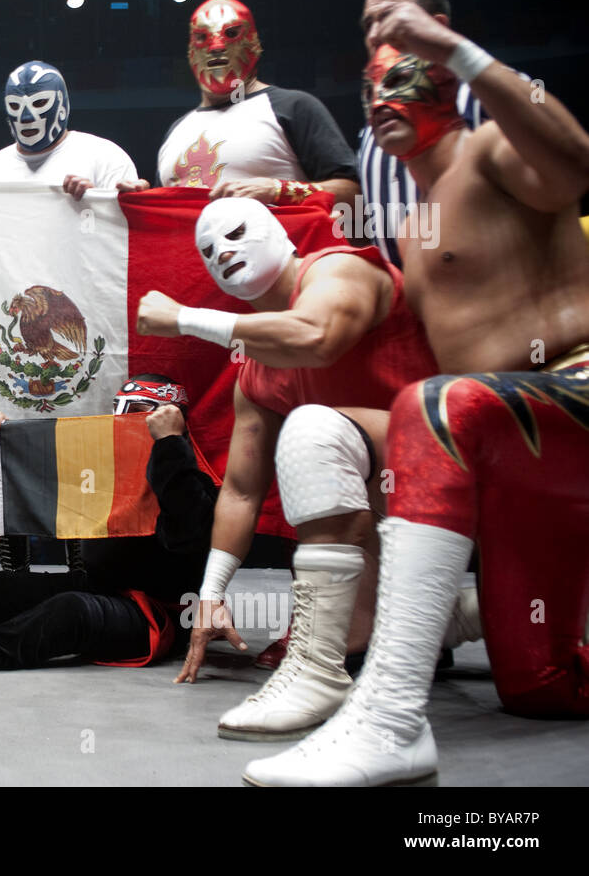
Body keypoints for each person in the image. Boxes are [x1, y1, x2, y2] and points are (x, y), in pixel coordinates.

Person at [242, 2, 589, 786]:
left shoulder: (497, 148)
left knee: (431, 407)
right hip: (515, 451)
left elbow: (576, 161)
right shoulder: (416, 226)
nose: (380, 101)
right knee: (540, 688)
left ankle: (393, 714)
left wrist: (460, 51)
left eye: (403, 75)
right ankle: (339, 659)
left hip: (576, 388)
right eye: (369, 89)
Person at [136, 195, 443, 741]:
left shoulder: (337, 267)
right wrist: (210, 595)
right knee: (534, 689)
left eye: (235, 233)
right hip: (385, 522)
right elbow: (240, 490)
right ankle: (441, 616)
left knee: (314, 430)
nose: (224, 252)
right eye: (209, 250)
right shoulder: (256, 367)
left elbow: (317, 338)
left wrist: (183, 318)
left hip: (456, 485)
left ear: (277, 233)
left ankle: (320, 668)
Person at [0, 375, 216, 677]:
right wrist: (8, 439)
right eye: (119, 409)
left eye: (136, 412)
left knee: (71, 612)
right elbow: (51, 483)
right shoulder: (111, 467)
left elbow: (184, 534)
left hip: (158, 614)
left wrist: (170, 445)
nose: (123, 420)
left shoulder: (196, 479)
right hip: (102, 586)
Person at [128, 0, 356, 209]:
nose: (216, 47)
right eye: (201, 38)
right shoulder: (177, 130)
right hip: (191, 251)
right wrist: (141, 200)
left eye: (231, 33)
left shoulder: (294, 107)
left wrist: (278, 190)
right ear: (190, 50)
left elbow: (354, 196)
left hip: (280, 250)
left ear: (254, 42)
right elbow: (165, 216)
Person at [356, 0, 485, 268]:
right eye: (368, 24)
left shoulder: (484, 92)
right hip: (410, 297)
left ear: (437, 25)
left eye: (389, 17)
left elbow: (564, 161)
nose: (375, 35)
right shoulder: (375, 124)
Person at [0, 60, 138, 201]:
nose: (27, 116)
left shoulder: (105, 157)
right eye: (16, 106)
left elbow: (127, 233)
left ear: (61, 103)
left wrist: (100, 201)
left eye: (39, 103)